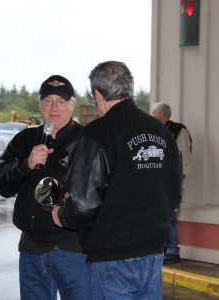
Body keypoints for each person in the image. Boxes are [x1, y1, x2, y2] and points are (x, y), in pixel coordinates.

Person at [52, 61, 181, 299]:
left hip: (111, 258)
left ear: (98, 95)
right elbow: (174, 193)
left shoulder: (97, 133)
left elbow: (82, 205)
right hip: (152, 254)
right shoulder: (162, 132)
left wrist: (61, 214)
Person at [0, 75, 89, 300]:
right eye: (48, 101)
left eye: (61, 101)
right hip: (30, 250)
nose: (54, 107)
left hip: (72, 249)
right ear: (40, 104)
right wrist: (25, 165)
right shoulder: (24, 139)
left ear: (72, 105)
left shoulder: (87, 140)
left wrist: (61, 202)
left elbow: (98, 193)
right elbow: (0, 184)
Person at [151, 101, 192, 264]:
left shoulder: (178, 130)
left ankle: (173, 250)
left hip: (173, 179)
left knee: (170, 215)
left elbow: (184, 157)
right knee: (161, 214)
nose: (151, 116)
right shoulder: (155, 130)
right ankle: (163, 248)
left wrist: (180, 178)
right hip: (159, 179)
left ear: (160, 115)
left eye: (153, 113)